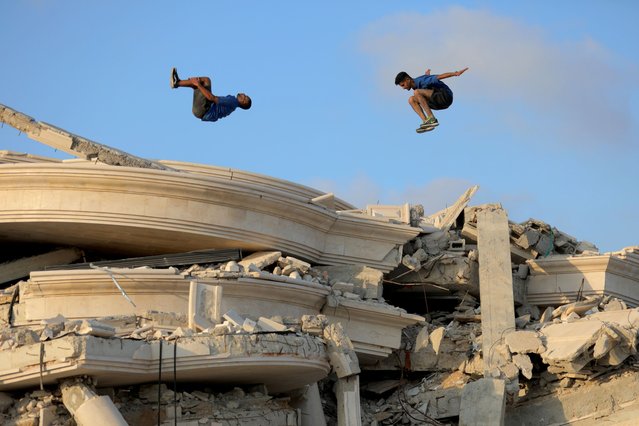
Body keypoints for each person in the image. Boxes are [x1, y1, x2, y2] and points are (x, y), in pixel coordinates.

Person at [395, 67, 468, 133]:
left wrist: (455, 73)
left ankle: (432, 118)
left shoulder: (422, 80)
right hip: (438, 102)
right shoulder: (420, 81)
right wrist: (427, 75)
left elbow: (439, 77)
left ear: (408, 79)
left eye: (403, 85)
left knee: (417, 92)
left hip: (445, 96)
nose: (403, 88)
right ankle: (426, 122)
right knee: (411, 100)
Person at [170, 67, 251, 122]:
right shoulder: (233, 105)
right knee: (201, 85)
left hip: (203, 110)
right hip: (202, 112)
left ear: (242, 102)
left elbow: (211, 98)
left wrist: (198, 84)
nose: (243, 94)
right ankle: (177, 82)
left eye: (245, 97)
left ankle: (177, 83)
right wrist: (198, 85)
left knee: (205, 81)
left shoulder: (233, 101)